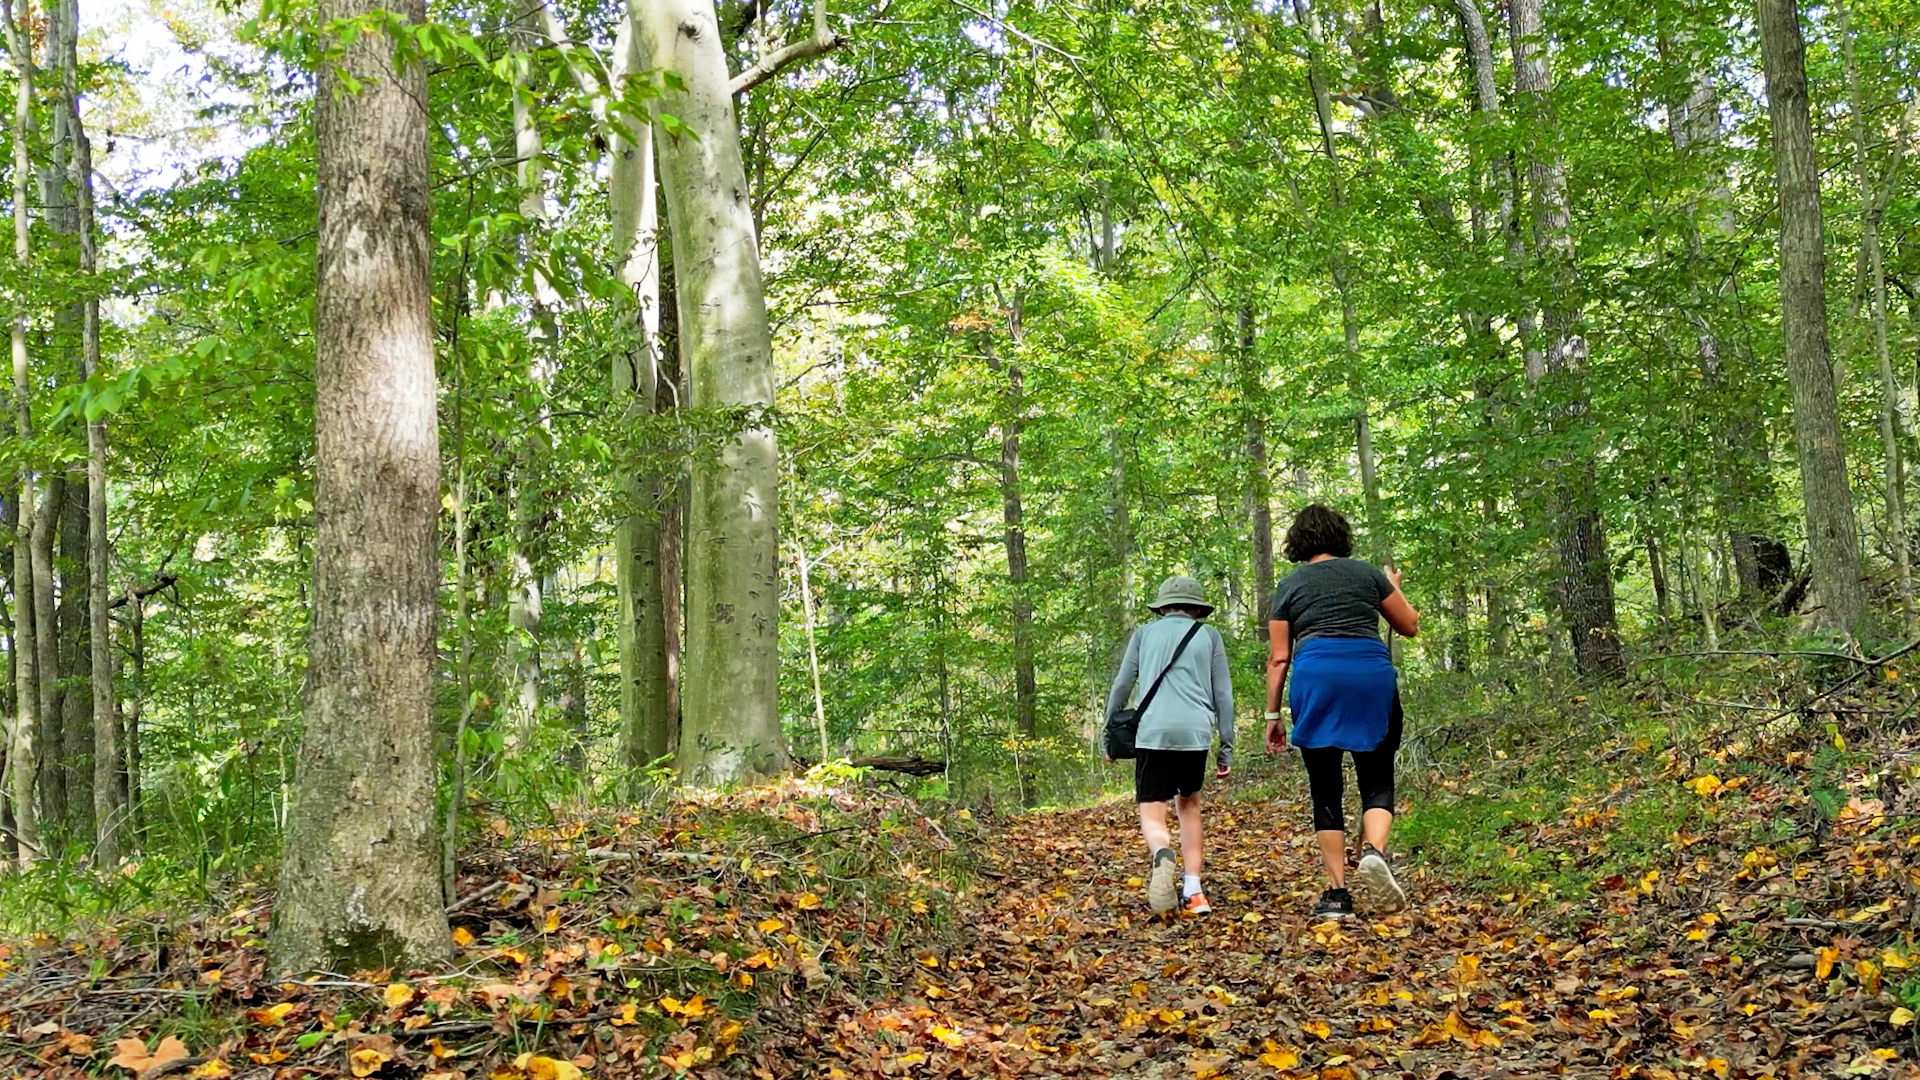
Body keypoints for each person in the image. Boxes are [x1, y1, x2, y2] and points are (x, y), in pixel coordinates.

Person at [1263, 505, 1419, 919]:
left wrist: (1272, 716)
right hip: (1371, 676)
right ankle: (1375, 853)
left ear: (1298, 541)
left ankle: (1336, 894)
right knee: (1377, 774)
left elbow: (1279, 658)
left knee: (1325, 786)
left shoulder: (1290, 584)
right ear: (1341, 536)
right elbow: (1409, 624)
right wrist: (1393, 587)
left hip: (1317, 680)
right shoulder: (1367, 574)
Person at [1106, 575, 1235, 916]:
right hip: (1194, 733)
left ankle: (1162, 854)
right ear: (1197, 608)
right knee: (1189, 806)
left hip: (1153, 732)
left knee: (1152, 807)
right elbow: (1223, 694)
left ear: (1162, 606)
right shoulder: (1209, 636)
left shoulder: (1144, 634)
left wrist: (1110, 728)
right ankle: (1194, 892)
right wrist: (1226, 745)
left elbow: (1122, 684)